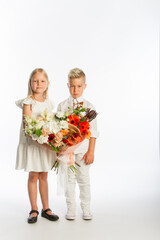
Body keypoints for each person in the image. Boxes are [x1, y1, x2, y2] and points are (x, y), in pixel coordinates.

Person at [16, 68, 59, 223]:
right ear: (30, 83)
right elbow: (27, 127)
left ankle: (46, 208)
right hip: (34, 144)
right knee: (34, 175)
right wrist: (42, 141)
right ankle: (34, 209)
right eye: (35, 80)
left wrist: (54, 141)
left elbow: (51, 123)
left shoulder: (49, 103)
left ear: (47, 84)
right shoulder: (28, 102)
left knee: (44, 175)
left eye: (42, 81)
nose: (38, 84)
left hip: (45, 145)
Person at [57, 68, 99, 220]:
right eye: (72, 86)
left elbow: (93, 132)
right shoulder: (62, 106)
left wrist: (91, 152)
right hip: (68, 151)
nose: (75, 90)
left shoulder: (90, 107)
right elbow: (58, 129)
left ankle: (86, 207)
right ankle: (71, 208)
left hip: (82, 151)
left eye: (79, 86)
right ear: (68, 85)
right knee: (69, 180)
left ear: (85, 86)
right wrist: (59, 149)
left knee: (84, 180)